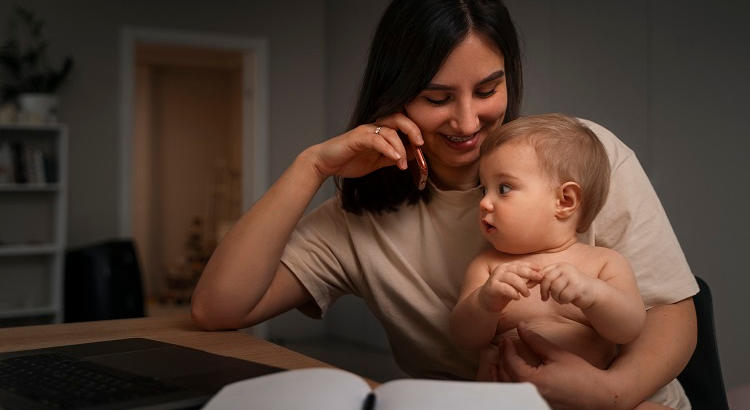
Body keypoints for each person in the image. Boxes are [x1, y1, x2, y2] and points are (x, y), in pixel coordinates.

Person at [191, 0, 699, 408]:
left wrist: (610, 394)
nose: (466, 121)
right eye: (436, 99)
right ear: (397, 96)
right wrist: (312, 167)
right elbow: (217, 309)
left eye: (487, 90)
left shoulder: (581, 157)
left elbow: (672, 314)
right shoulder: (356, 222)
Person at [450, 114, 689, 409]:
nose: (485, 202)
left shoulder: (603, 264)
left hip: (591, 401)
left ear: (565, 200)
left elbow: (629, 328)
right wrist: (485, 302)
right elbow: (464, 337)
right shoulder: (488, 267)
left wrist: (593, 295)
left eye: (504, 189)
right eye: (483, 189)